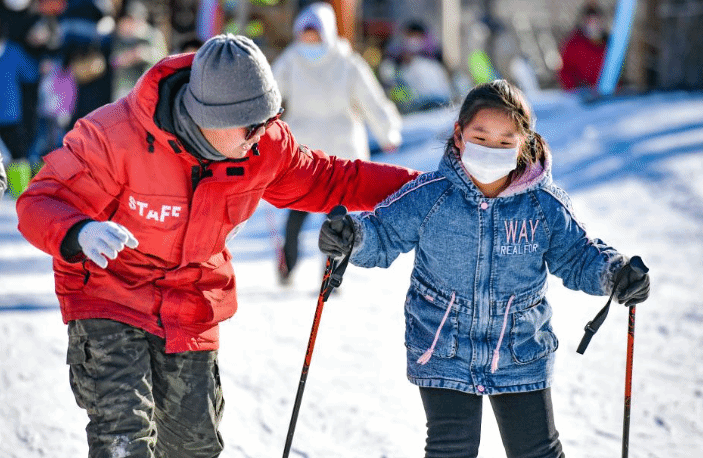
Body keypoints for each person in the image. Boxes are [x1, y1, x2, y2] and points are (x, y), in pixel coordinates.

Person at [15, 34, 419, 457]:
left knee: (194, 446)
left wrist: (421, 187)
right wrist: (79, 231)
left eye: (270, 118)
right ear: (209, 116)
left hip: (190, 302)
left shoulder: (262, 144)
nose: (264, 134)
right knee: (124, 435)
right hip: (109, 294)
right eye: (251, 124)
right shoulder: (116, 136)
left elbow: (334, 178)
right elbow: (40, 201)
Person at [318, 79, 650, 458]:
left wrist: (616, 273)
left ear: (523, 144)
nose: (492, 149)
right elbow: (383, 233)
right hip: (443, 347)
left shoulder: (542, 205)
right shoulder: (431, 196)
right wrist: (351, 237)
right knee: (451, 449)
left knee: (536, 451)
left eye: (505, 142)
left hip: (520, 349)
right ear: (459, 136)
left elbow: (577, 255)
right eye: (481, 137)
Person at [271, 2, 403, 284]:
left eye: (315, 35)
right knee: (296, 213)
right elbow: (270, 92)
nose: (309, 41)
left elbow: (371, 100)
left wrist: (387, 132)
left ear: (327, 33)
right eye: (305, 36)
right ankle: (288, 265)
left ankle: (330, 272)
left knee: (337, 220)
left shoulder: (348, 63)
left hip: (341, 151)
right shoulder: (291, 60)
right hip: (303, 154)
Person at [0, 13, 39, 196]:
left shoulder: (13, 52)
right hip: (9, 112)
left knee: (18, 154)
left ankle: (20, 192)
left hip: (9, 113)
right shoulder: (13, 51)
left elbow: (31, 73)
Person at [379, 20, 453, 113]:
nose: (413, 40)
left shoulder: (435, 58)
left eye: (417, 36)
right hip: (411, 109)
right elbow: (389, 82)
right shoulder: (394, 60)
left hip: (439, 104)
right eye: (410, 35)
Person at [558, 2, 608, 90]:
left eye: (596, 22)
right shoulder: (574, 44)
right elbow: (565, 72)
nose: (593, 26)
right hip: (580, 95)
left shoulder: (609, 45)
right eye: (590, 22)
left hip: (604, 94)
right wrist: (576, 87)